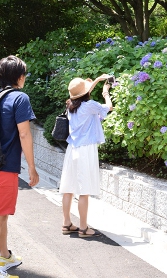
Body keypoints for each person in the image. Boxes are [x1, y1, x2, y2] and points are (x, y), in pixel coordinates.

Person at [0, 55, 39, 278]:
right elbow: (24, 133)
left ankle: (4, 255)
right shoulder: (19, 98)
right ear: (20, 77)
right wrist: (32, 167)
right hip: (4, 167)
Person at [59, 74, 113, 238]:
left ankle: (67, 223)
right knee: (84, 190)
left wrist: (96, 80)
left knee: (68, 188)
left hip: (72, 149)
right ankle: (83, 228)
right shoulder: (90, 106)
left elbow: (83, 94)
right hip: (85, 150)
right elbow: (108, 107)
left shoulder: (70, 105)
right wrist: (106, 93)